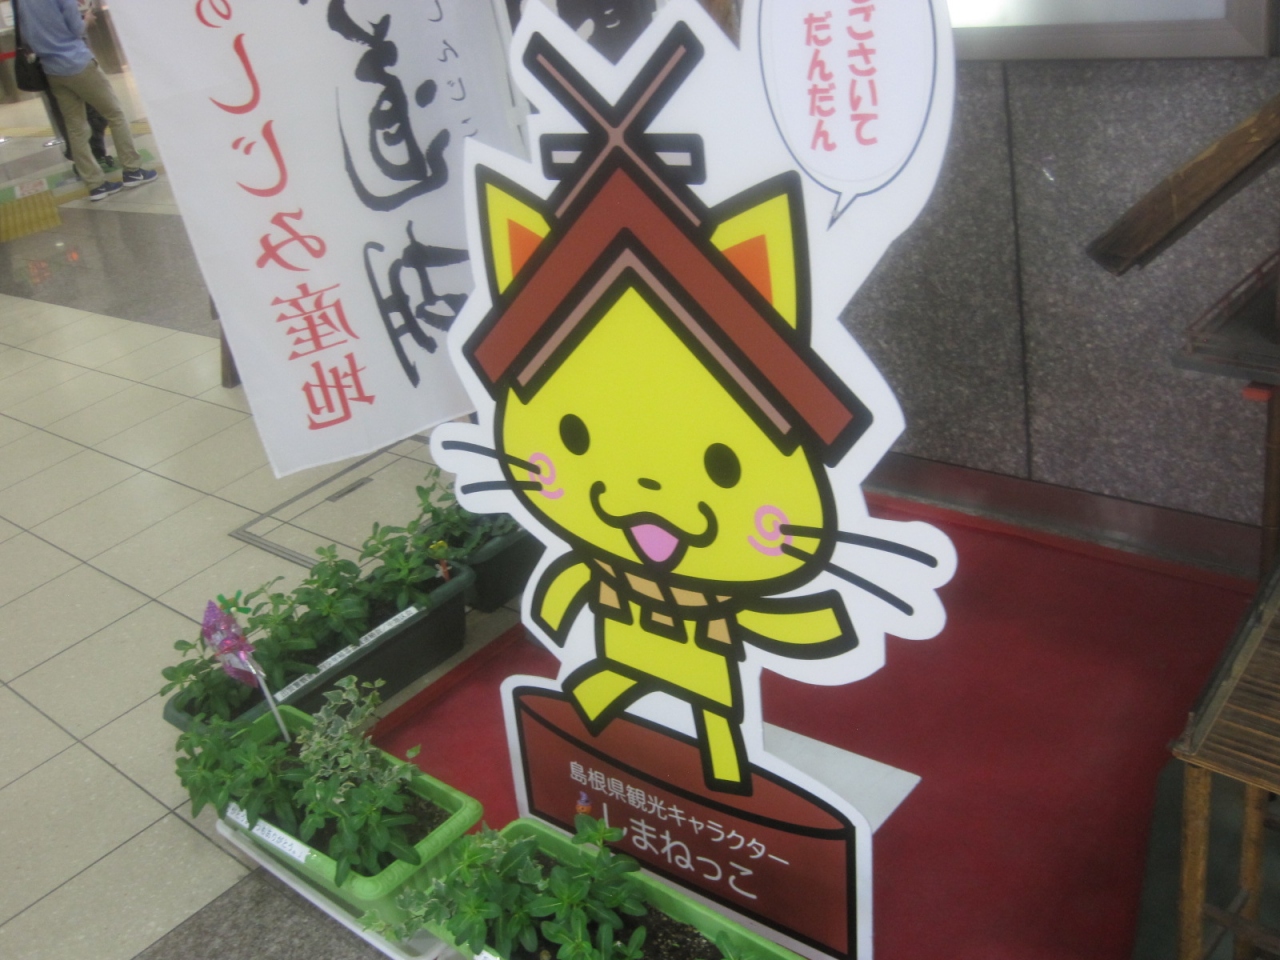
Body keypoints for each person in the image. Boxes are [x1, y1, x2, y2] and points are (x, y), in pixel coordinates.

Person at [18, 0, 156, 200]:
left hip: (51, 70)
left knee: (75, 127)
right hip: (78, 63)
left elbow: (26, 36)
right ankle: (133, 170)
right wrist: (87, 20)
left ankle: (95, 185)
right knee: (115, 114)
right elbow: (76, 29)